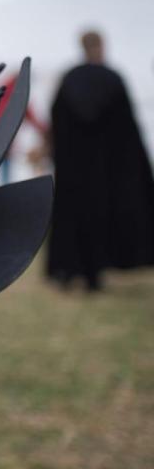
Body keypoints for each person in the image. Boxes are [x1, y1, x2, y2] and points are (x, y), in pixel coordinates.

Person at [45, 30, 154, 290]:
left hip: (73, 170)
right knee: (101, 218)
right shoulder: (112, 79)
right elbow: (127, 130)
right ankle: (95, 274)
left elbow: (57, 120)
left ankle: (68, 270)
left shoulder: (70, 79)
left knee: (72, 218)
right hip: (106, 172)